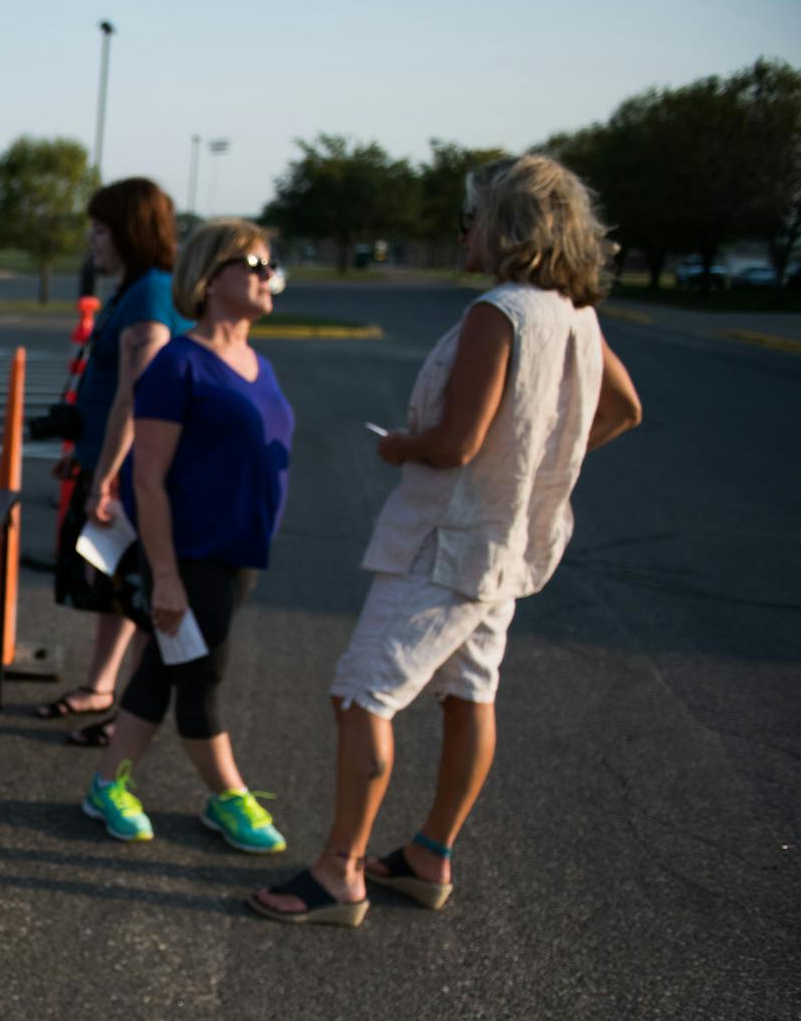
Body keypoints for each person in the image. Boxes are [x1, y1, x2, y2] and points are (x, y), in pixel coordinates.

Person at [250, 154, 642, 926]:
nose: (464, 233)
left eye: (471, 219)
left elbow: (456, 444)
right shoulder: (576, 315)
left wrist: (401, 445)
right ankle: (432, 854)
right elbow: (624, 409)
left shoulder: (499, 313)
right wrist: (540, 463)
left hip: (448, 544)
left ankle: (340, 872)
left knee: (362, 694)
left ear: (504, 225)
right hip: (507, 548)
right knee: (470, 694)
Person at [81, 219, 292, 855]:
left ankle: (107, 784)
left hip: (239, 552)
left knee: (163, 670)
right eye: (253, 263)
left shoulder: (259, 362)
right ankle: (229, 796)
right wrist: (165, 575)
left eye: (268, 264)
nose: (266, 275)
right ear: (210, 276)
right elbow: (149, 479)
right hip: (189, 551)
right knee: (202, 677)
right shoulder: (178, 363)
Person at [39, 177, 190, 742]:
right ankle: (103, 688)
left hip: (134, 476)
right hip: (110, 464)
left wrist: (105, 478)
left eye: (101, 229)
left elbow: (136, 394)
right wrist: (82, 455)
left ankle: (133, 711)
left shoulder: (152, 293)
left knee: (141, 595)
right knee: (115, 589)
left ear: (129, 231)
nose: (92, 241)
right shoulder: (132, 289)